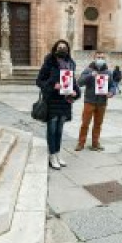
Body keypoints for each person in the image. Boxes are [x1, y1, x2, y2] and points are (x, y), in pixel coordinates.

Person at [36, 40, 81, 170]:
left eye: (64, 47)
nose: (62, 49)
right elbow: (39, 81)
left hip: (65, 102)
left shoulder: (71, 64)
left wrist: (75, 92)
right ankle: (52, 155)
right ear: (55, 48)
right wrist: (53, 85)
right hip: (52, 100)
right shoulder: (49, 62)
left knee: (60, 130)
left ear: (68, 49)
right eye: (60, 47)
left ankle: (57, 153)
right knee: (52, 129)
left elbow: (74, 83)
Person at [75, 51, 115, 151]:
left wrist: (111, 92)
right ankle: (81, 143)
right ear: (94, 58)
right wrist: (90, 75)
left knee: (98, 124)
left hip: (102, 102)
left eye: (102, 58)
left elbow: (113, 86)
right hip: (89, 101)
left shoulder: (108, 72)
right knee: (85, 123)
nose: (100, 60)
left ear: (104, 59)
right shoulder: (88, 70)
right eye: (98, 57)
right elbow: (79, 83)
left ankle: (95, 143)